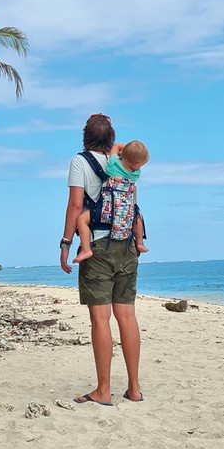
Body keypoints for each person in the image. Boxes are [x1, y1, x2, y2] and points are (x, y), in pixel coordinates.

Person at [60, 114, 144, 405]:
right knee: (128, 317)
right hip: (127, 243)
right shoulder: (124, 161)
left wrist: (66, 243)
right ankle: (134, 389)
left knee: (100, 319)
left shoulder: (80, 162)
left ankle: (103, 390)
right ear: (111, 138)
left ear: (85, 136)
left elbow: (75, 204)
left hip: (95, 244)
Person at [72, 139, 149, 265]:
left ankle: (86, 250)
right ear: (136, 164)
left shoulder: (113, 164)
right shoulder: (135, 174)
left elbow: (116, 146)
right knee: (138, 217)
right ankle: (140, 243)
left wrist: (128, 148)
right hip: (127, 213)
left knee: (81, 220)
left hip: (107, 209)